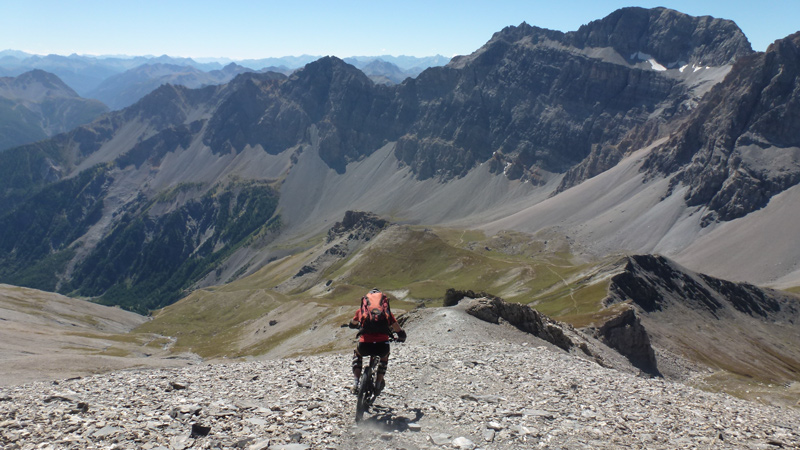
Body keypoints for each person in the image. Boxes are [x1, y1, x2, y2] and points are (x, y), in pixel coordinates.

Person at [349, 288, 406, 395]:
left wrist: (353, 325)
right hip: (382, 345)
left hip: (365, 344)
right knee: (384, 357)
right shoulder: (386, 312)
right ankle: (378, 383)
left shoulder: (362, 311)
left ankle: (355, 383)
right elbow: (397, 327)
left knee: (358, 354)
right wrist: (401, 336)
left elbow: (353, 323)